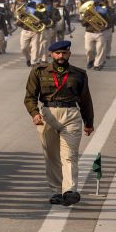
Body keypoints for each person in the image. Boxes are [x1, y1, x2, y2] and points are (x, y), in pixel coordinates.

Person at [24, 40, 94, 206]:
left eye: (64, 53)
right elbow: (30, 97)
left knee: (69, 155)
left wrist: (89, 122)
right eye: (58, 53)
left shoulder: (79, 74)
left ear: (69, 53)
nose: (61, 56)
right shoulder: (39, 72)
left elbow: (86, 101)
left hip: (71, 114)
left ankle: (69, 191)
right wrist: (34, 113)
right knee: (51, 155)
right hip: (47, 114)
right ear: (51, 54)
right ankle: (56, 191)